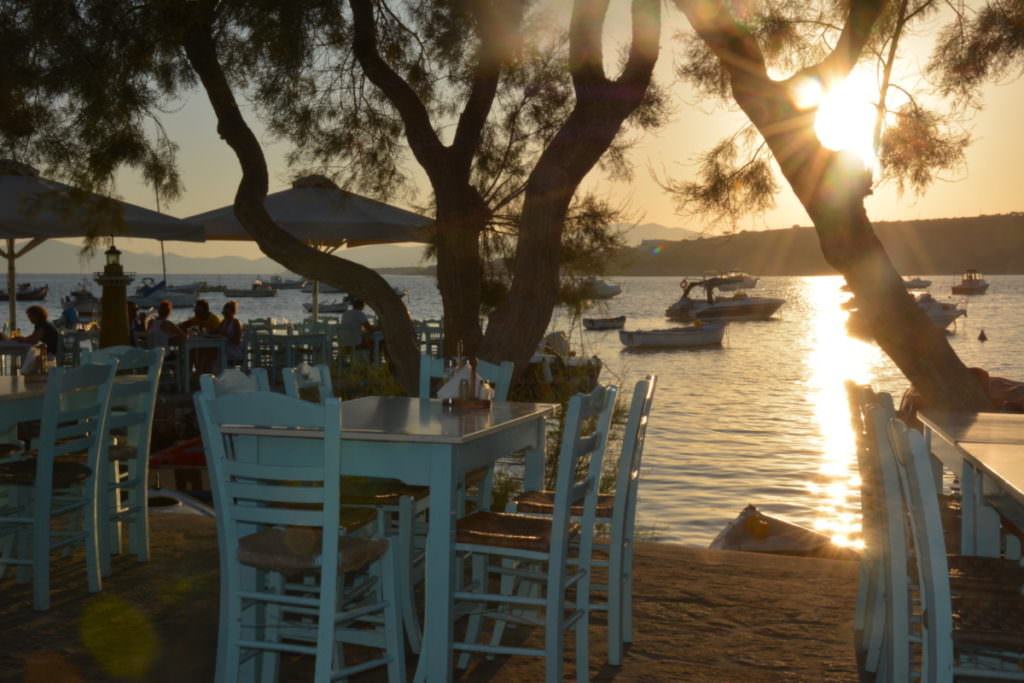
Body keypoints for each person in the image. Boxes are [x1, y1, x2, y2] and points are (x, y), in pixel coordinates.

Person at [217, 300, 244, 367]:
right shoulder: (224, 322)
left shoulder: (235, 322)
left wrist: (226, 336)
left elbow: (237, 341)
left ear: (233, 312)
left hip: (234, 349)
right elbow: (217, 330)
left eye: (227, 312)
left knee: (217, 353)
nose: (225, 314)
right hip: (225, 347)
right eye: (224, 312)